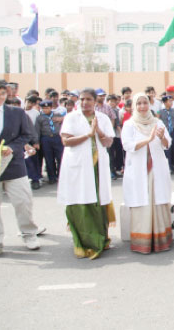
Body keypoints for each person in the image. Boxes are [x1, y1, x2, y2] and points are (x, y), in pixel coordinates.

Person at [58, 87, 115, 259]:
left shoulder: (102, 118)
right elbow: (66, 141)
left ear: (95, 101)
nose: (84, 103)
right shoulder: (71, 117)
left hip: (97, 167)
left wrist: (97, 132)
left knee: (97, 200)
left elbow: (108, 142)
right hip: (77, 166)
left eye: (88, 99)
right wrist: (87, 135)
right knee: (79, 201)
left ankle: (100, 239)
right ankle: (82, 241)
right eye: (81, 99)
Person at [120, 93, 173, 253]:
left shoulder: (157, 122)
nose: (142, 106)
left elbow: (167, 144)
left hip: (157, 169)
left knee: (158, 201)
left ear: (149, 105)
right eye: (139, 104)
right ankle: (142, 242)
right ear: (134, 107)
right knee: (142, 203)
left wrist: (162, 137)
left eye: (145, 103)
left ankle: (161, 241)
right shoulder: (129, 124)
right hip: (138, 170)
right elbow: (127, 145)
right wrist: (148, 140)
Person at [0, 80, 41, 255]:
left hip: (14, 165)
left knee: (23, 202)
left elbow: (26, 134)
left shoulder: (16, 112)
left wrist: (12, 148)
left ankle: (29, 233)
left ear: (6, 94)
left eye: (1, 93)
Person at [34, 100, 64, 185]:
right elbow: (37, 131)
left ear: (51, 108)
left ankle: (61, 176)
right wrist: (37, 142)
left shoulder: (57, 115)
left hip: (57, 137)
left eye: (47, 108)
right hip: (46, 138)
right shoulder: (39, 118)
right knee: (49, 159)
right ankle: (52, 177)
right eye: (43, 108)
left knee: (60, 157)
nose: (45, 110)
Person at [159, 95, 174, 173]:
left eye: (171, 101)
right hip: (165, 132)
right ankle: (168, 167)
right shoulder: (160, 112)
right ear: (165, 102)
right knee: (167, 150)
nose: (171, 102)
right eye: (169, 101)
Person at [106, 94, 124, 179]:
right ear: (107, 102)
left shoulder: (116, 110)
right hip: (107, 135)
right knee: (110, 155)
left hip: (115, 135)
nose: (113, 103)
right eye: (111, 101)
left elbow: (117, 123)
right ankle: (111, 172)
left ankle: (115, 170)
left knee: (116, 154)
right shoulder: (105, 110)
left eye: (114, 101)